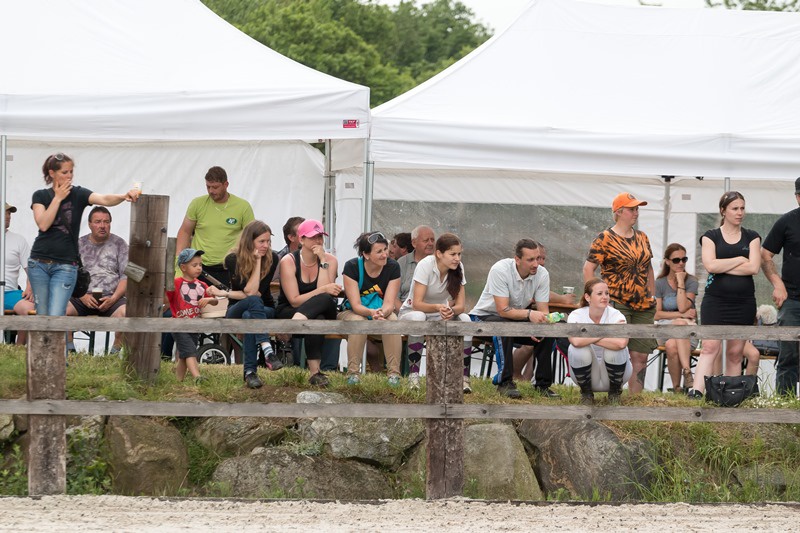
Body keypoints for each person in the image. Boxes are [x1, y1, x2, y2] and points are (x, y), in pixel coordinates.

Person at [29, 153, 139, 316]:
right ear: (52, 173)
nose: (69, 176)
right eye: (64, 172)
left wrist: (124, 196)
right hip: (39, 262)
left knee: (56, 315)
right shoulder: (40, 195)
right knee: (42, 314)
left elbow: (104, 199)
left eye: (71, 172)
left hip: (65, 265)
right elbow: (43, 224)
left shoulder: (78, 193)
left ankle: (62, 335)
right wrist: (58, 198)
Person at [583, 192, 656, 394]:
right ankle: (613, 394)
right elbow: (588, 269)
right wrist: (596, 299)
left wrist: (652, 295)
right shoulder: (604, 238)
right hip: (616, 302)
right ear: (619, 212)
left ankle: (635, 401)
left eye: (637, 209)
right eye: (632, 209)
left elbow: (649, 268)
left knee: (641, 355)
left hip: (644, 305)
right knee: (616, 351)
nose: (636, 213)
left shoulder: (642, 237)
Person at [691, 191, 761, 398]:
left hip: (743, 302)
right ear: (723, 211)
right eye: (734, 208)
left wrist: (724, 265)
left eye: (742, 208)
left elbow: (754, 268)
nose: (740, 213)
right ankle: (696, 392)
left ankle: (732, 396)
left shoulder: (752, 236)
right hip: (715, 301)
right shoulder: (710, 236)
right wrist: (740, 259)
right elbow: (711, 266)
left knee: (735, 353)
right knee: (709, 347)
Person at [469, 238, 560, 399]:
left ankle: (542, 385)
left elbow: (543, 311)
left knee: (547, 331)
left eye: (538, 258)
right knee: (505, 327)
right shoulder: (500, 269)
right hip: (482, 317)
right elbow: (503, 310)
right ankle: (504, 383)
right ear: (517, 259)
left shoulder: (542, 274)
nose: (536, 264)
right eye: (530, 260)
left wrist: (539, 327)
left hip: (513, 320)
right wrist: (529, 315)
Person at [399, 233, 473, 392]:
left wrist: (450, 310)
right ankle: (413, 376)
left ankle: (464, 378)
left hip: (440, 313)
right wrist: (439, 307)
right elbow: (417, 304)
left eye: (459, 254)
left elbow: (461, 306)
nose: (457, 258)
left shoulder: (458, 267)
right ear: (439, 253)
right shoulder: (425, 265)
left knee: (466, 319)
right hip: (412, 312)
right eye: (453, 254)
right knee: (419, 317)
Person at [277, 219, 341, 387]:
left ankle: (297, 324)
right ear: (302, 239)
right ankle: (315, 373)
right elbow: (294, 300)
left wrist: (322, 260)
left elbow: (325, 293)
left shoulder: (330, 260)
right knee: (317, 317)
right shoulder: (288, 261)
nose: (318, 241)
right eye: (313, 237)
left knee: (325, 299)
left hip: (318, 311)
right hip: (292, 310)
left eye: (320, 237)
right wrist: (323, 290)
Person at [222, 220, 283, 389]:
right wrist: (257, 263)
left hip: (264, 309)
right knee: (252, 302)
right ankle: (267, 350)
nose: (266, 246)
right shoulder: (233, 259)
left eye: (268, 241)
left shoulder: (272, 258)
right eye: (261, 241)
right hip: (236, 308)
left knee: (250, 314)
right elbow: (250, 292)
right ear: (249, 241)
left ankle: (250, 372)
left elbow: (256, 292)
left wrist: (260, 261)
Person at [339, 231, 403, 386]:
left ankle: (394, 374)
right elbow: (355, 305)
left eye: (385, 249)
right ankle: (353, 373)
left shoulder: (393, 267)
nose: (384, 255)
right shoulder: (352, 266)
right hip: (351, 312)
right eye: (379, 251)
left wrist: (382, 312)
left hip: (379, 311)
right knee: (358, 320)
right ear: (366, 255)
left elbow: (389, 303)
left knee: (392, 319)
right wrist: (371, 312)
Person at [176, 166, 254, 288]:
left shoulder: (243, 206)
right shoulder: (197, 204)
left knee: (227, 300)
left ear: (226, 184)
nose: (211, 191)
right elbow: (185, 231)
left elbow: (251, 237)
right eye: (208, 187)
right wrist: (179, 261)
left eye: (215, 187)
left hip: (229, 267)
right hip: (200, 267)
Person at [65, 206, 128, 353]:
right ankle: (70, 351)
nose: (102, 225)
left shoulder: (120, 244)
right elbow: (68, 275)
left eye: (106, 222)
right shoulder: (78, 244)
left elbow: (126, 277)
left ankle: (114, 354)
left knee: (127, 313)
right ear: (89, 224)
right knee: (61, 309)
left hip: (111, 298)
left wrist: (113, 298)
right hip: (81, 297)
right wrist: (82, 296)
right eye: (98, 222)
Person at [513, 242, 576, 382]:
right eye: (536, 258)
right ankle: (515, 374)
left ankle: (532, 378)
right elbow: (538, 296)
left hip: (535, 316)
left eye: (542, 258)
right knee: (533, 340)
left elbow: (542, 297)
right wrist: (563, 299)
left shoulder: (541, 273)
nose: (540, 262)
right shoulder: (516, 271)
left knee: (546, 334)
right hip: (515, 316)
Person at [762, 177, 800, 395]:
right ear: (797, 197)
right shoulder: (786, 222)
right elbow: (765, 254)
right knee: (788, 356)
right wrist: (778, 284)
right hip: (792, 299)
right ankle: (784, 405)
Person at [567, 278, 632, 405]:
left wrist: (587, 337)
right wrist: (606, 332)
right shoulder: (576, 315)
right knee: (576, 349)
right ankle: (586, 394)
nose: (605, 297)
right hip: (588, 375)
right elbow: (575, 342)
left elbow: (621, 343)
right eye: (599, 293)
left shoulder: (616, 315)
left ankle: (615, 393)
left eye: (607, 293)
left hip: (617, 375)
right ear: (587, 297)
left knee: (615, 350)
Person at [165, 248, 223, 384]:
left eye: (200, 265)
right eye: (194, 265)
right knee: (190, 351)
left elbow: (215, 301)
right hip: (180, 325)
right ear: (183, 267)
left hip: (195, 325)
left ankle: (178, 381)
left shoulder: (202, 285)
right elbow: (165, 298)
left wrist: (209, 299)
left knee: (184, 354)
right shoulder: (176, 283)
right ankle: (197, 377)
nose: (199, 268)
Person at [654, 243, 699, 393]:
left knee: (672, 345)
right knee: (679, 322)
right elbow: (657, 314)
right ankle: (687, 370)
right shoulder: (660, 283)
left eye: (684, 259)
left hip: (687, 331)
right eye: (676, 260)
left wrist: (680, 282)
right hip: (665, 328)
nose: (681, 263)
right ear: (667, 262)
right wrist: (681, 315)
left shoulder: (691, 281)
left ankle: (677, 388)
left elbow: (683, 306)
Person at [4, 202, 35, 344]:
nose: (8, 216)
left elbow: (31, 270)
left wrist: (30, 287)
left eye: (9, 213)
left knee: (31, 310)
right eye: (5, 213)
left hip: (9, 292)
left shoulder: (18, 240)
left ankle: (19, 349)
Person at [395, 226, 435, 312]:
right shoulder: (402, 263)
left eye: (432, 240)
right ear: (414, 243)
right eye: (426, 240)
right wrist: (404, 313)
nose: (430, 243)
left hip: (434, 312)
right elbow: (394, 298)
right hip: (406, 311)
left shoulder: (441, 262)